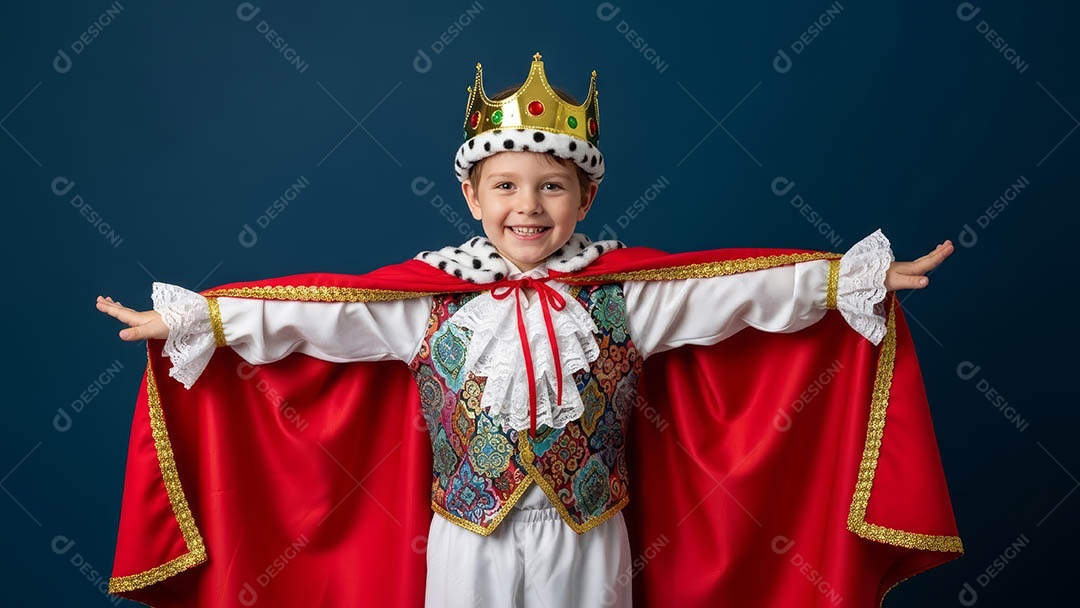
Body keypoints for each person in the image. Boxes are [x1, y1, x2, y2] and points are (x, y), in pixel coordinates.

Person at [97, 54, 959, 608]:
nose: (528, 206)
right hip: (464, 533)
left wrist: (856, 276)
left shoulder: (630, 297)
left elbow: (741, 293)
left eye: (551, 187)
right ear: (472, 199)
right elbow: (315, 316)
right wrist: (197, 317)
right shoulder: (425, 302)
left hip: (591, 533)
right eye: (505, 186)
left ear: (585, 200)